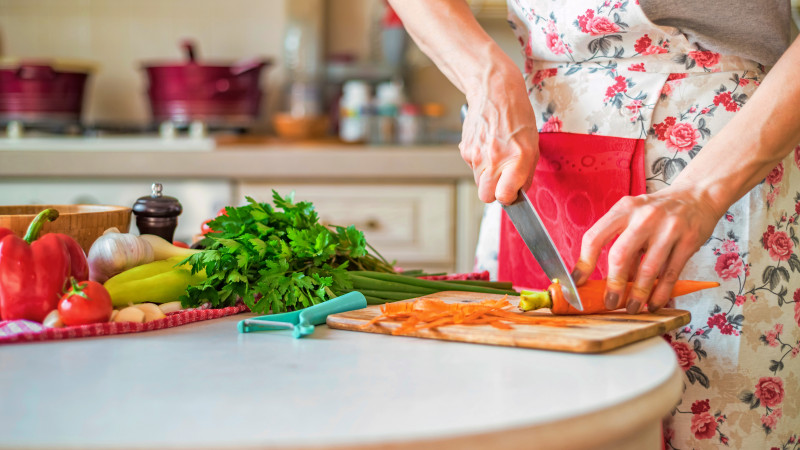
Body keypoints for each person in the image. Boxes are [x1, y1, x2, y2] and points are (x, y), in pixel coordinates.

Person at [387, 0, 800, 448]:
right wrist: (485, 76)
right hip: (537, 152)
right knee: (529, 418)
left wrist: (701, 191)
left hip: (717, 157)